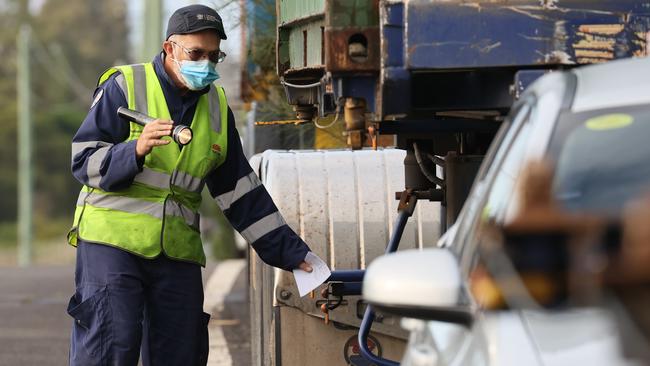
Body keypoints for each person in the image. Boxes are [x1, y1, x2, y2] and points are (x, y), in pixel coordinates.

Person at [67, 5, 312, 365]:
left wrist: (292, 253)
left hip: (176, 252)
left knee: (180, 354)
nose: (206, 65)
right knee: (111, 346)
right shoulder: (124, 86)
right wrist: (133, 150)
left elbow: (240, 192)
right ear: (170, 49)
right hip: (112, 243)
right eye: (196, 54)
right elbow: (83, 161)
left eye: (214, 56)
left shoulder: (216, 108)